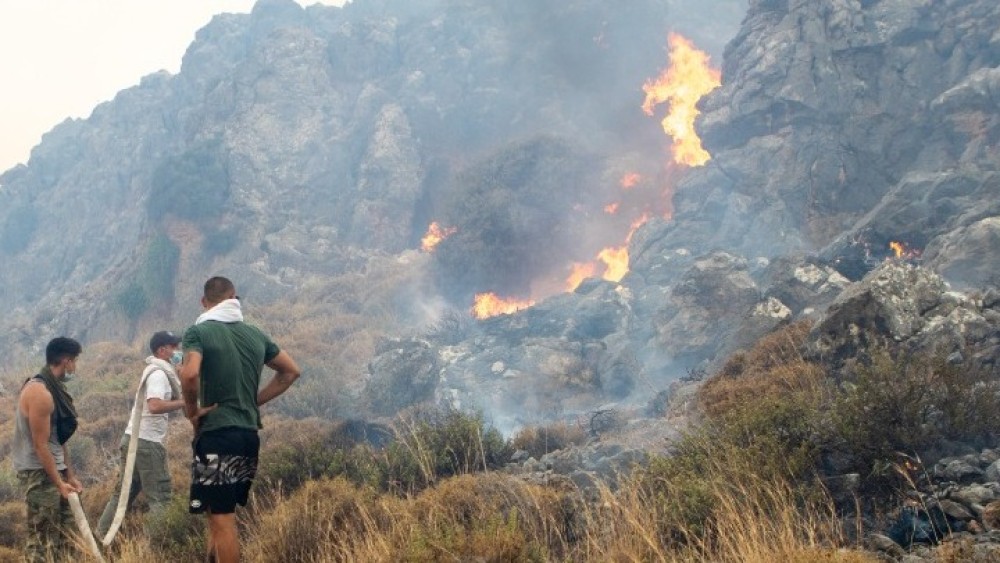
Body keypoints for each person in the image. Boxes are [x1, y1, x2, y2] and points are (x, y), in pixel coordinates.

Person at [180, 276, 301, 563]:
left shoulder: (198, 332)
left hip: (218, 435)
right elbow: (291, 371)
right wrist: (252, 402)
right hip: (248, 436)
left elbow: (189, 373)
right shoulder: (256, 334)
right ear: (235, 298)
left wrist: (192, 411)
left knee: (222, 520)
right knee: (216, 512)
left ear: (203, 302)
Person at [96, 330, 186, 540]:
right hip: (147, 443)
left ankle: (99, 540)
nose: (178, 351)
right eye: (174, 347)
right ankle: (153, 549)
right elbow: (154, 405)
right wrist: (186, 402)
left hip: (133, 439)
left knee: (123, 495)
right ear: (162, 350)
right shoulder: (159, 374)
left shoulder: (157, 371)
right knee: (161, 498)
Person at [13, 336, 84, 563]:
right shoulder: (39, 393)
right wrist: (58, 483)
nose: (75, 366)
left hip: (56, 471)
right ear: (65, 361)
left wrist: (69, 475)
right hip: (39, 474)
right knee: (43, 541)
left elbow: (58, 438)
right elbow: (40, 445)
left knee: (67, 537)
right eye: (74, 361)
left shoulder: (54, 390)